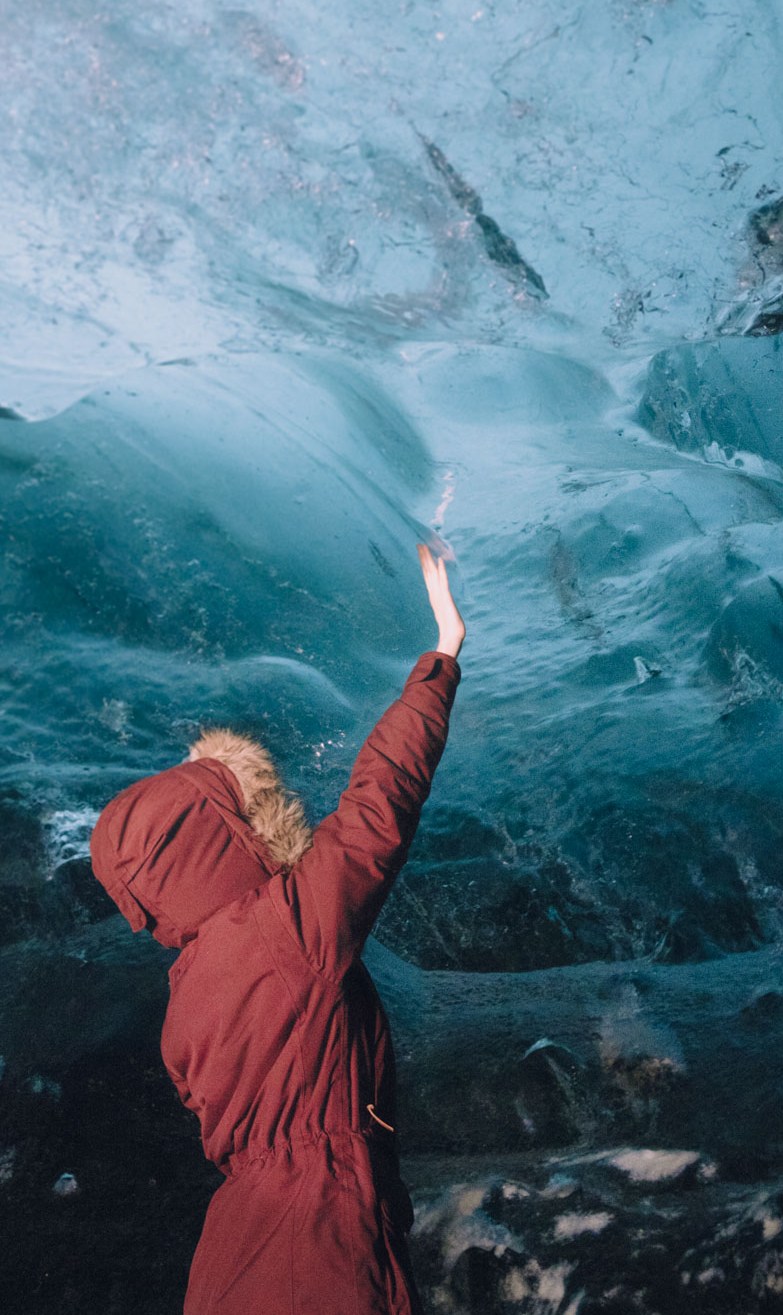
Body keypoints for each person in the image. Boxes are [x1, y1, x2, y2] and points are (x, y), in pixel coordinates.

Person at [90, 543, 465, 1315]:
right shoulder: (287, 931)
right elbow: (377, 807)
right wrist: (442, 656)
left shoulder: (186, 997)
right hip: (319, 1247)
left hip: (231, 1260)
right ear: (224, 837)